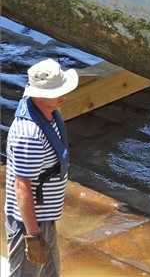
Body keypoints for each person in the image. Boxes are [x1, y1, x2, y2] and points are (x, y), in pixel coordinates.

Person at [4, 59, 79, 277]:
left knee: (50, 272)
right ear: (38, 94)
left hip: (44, 217)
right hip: (30, 223)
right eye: (58, 91)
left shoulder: (47, 112)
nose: (64, 95)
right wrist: (33, 236)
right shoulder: (29, 134)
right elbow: (22, 186)